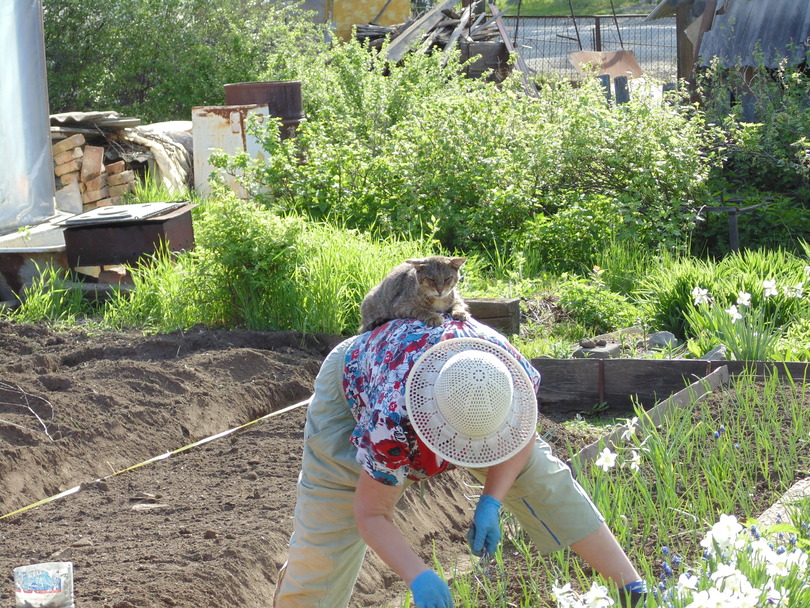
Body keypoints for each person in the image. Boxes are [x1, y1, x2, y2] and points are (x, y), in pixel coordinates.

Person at [274, 315, 648, 608]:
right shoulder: (392, 421)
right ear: (431, 427)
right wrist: (417, 575)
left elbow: (524, 433)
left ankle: (634, 590)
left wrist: (492, 500)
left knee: (540, 473)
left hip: (436, 377)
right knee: (327, 527)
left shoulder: (504, 370)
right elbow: (370, 513)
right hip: (356, 385)